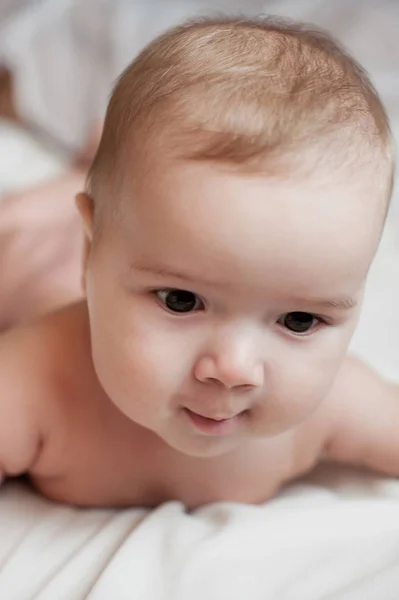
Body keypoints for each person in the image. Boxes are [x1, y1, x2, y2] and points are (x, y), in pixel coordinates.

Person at [0, 15, 397, 509]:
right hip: (30, 260)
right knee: (20, 224)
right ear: (90, 250)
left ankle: (94, 167)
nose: (233, 369)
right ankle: (83, 173)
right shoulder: (34, 385)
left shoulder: (338, 404)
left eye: (299, 320)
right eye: (181, 301)